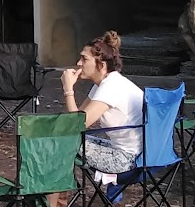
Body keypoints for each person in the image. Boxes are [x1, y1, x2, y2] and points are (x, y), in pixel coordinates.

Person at [60, 31, 144, 176]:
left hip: (128, 159)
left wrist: (68, 90)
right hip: (131, 153)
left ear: (101, 65)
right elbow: (77, 117)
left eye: (84, 59)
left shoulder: (110, 87)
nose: (78, 63)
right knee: (61, 137)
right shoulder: (107, 82)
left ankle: (53, 190)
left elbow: (76, 125)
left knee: (62, 142)